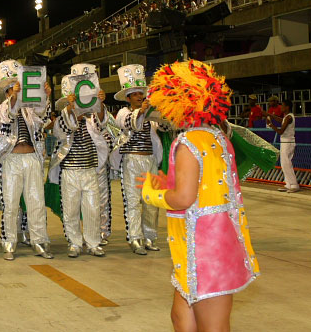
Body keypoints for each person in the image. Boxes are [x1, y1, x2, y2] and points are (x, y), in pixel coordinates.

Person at [140, 59, 259, 332]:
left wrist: (152, 194)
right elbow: (202, 185)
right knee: (180, 319)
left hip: (205, 251)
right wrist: (166, 182)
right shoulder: (216, 137)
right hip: (205, 246)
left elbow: (183, 198)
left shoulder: (188, 142)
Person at [0, 60, 54, 261]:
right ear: (6, 91)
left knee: (36, 201)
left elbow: (42, 118)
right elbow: (7, 115)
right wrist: (15, 98)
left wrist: (45, 96)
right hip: (11, 159)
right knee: (10, 203)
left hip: (32, 158)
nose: (15, 90)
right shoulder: (1, 108)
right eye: (11, 88)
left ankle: (39, 240)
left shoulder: (30, 108)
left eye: (16, 86)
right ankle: (9, 243)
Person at [47, 71, 109, 258]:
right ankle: (74, 242)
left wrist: (100, 103)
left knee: (92, 208)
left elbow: (103, 124)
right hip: (70, 170)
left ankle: (93, 242)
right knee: (71, 208)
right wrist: (73, 112)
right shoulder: (61, 121)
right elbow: (62, 131)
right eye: (71, 103)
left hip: (90, 169)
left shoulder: (92, 121)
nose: (75, 105)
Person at [111, 64, 162, 255]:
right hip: (132, 161)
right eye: (135, 94)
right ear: (128, 98)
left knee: (151, 202)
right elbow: (130, 124)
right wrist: (141, 112)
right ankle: (135, 238)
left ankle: (149, 237)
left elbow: (164, 128)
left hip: (150, 160)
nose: (140, 97)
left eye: (141, 93)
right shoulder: (124, 113)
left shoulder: (151, 115)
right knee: (132, 201)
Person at [268, 99, 299, 193]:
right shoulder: (286, 117)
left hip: (288, 142)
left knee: (286, 163)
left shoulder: (289, 117)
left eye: (283, 105)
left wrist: (271, 125)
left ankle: (294, 185)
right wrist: (271, 116)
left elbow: (281, 131)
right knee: (284, 163)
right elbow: (281, 120)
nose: (281, 107)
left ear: (287, 107)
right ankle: (288, 184)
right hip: (285, 142)